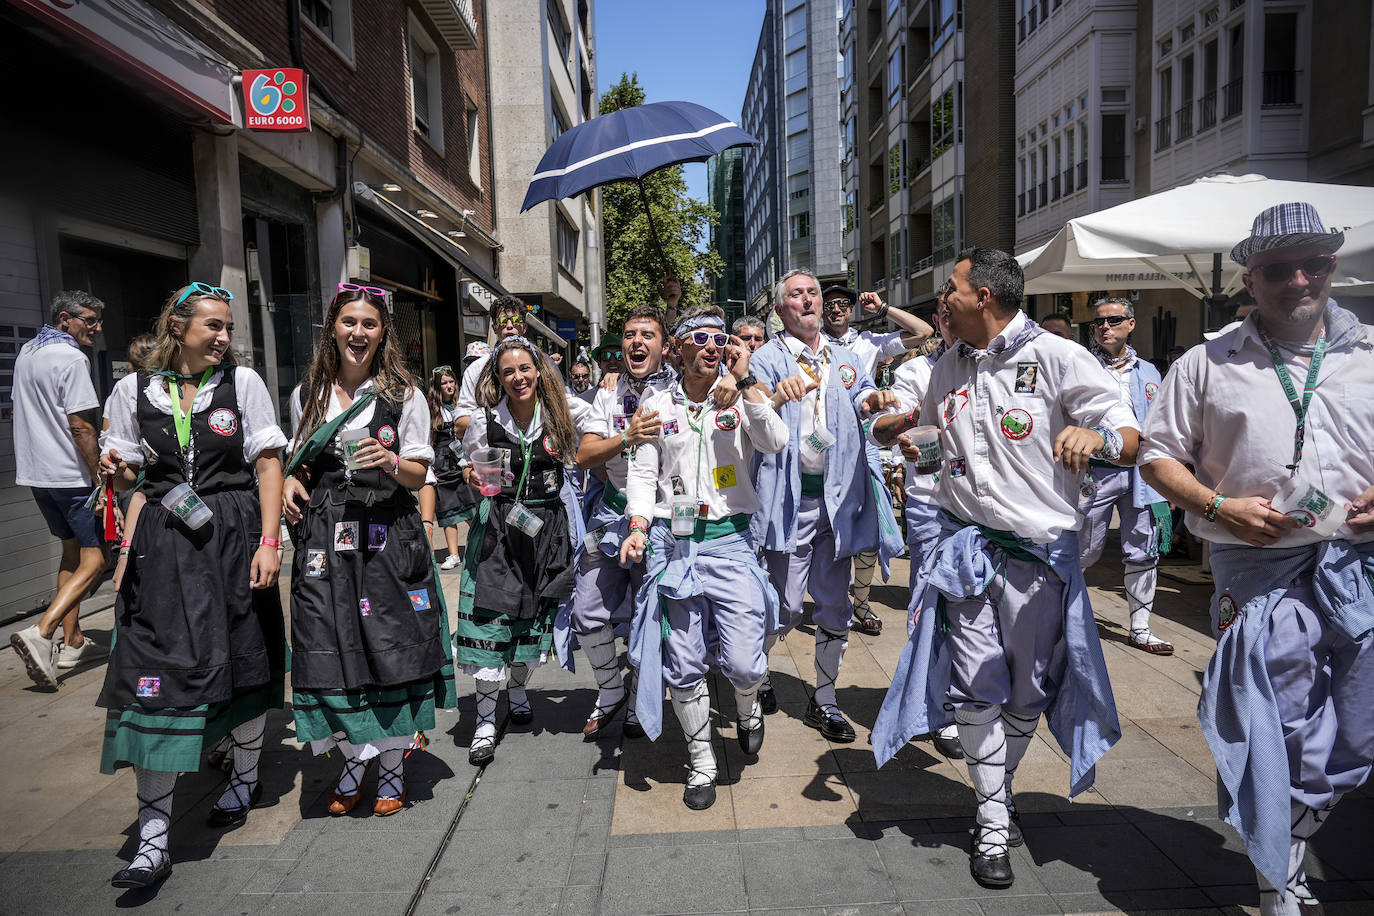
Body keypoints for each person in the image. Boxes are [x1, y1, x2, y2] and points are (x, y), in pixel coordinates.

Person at [871, 247, 1140, 890]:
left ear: (984, 296)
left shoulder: (1055, 356)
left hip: (1041, 559)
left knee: (1027, 692)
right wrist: (911, 437)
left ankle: (999, 792)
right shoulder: (947, 365)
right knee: (974, 686)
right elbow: (918, 432)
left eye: (952, 289)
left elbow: (1129, 435)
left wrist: (1097, 439)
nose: (943, 301)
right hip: (968, 553)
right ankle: (992, 820)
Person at [1139, 203, 1374, 916]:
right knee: (1286, 724)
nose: (1298, 278)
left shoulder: (1369, 354)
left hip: (1361, 566)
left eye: (1314, 262)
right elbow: (1156, 456)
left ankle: (1282, 837)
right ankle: (1281, 880)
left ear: (1333, 266)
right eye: (1278, 268)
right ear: (1252, 278)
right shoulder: (1206, 361)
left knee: (1359, 731)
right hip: (1260, 569)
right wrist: (1218, 507)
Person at [97, 283, 288, 888]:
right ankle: (153, 836)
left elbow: (267, 464)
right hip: (164, 545)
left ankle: (245, 777)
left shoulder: (245, 385)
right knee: (156, 674)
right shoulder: (132, 390)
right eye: (214, 326)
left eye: (229, 327)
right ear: (177, 328)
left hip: (232, 539)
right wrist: (118, 472)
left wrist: (268, 540)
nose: (225, 338)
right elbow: (128, 478)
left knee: (245, 654)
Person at [283, 284, 455, 820]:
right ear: (333, 327)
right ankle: (356, 760)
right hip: (327, 541)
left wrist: (389, 460)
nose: (359, 333)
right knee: (331, 646)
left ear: (384, 334)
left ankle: (393, 767)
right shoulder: (305, 394)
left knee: (392, 648)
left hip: (385, 535)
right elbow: (301, 463)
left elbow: (419, 472)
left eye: (370, 325)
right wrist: (291, 481)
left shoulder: (405, 394)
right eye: (350, 322)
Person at [620, 305, 800, 809]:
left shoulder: (741, 397)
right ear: (677, 348)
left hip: (730, 542)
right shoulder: (656, 403)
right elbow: (642, 473)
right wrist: (637, 527)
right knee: (683, 662)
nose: (710, 346)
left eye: (718, 340)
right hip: (674, 544)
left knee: (745, 663)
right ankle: (701, 759)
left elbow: (776, 441)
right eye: (698, 338)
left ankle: (747, 708)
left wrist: (745, 389)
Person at [749, 269, 905, 741]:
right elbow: (752, 413)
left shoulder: (844, 357)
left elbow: (860, 402)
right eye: (796, 295)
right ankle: (757, 677)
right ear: (781, 310)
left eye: (812, 293)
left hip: (840, 504)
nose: (809, 300)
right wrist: (775, 397)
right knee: (787, 608)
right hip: (787, 503)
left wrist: (873, 400)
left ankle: (826, 700)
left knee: (835, 606)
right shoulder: (766, 359)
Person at [457, 336, 585, 766]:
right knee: (492, 620)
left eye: (525, 368)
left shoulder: (562, 414)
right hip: (496, 530)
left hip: (544, 531)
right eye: (508, 371)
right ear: (498, 378)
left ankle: (517, 688)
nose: (518, 377)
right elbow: (470, 469)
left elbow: (600, 424)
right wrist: (472, 479)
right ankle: (486, 721)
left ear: (538, 371)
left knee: (530, 621)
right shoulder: (483, 421)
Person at [570, 305, 677, 740]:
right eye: (630, 334)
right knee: (586, 608)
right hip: (612, 514)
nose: (636, 342)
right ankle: (612, 690)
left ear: (664, 346)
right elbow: (584, 454)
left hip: (663, 518)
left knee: (647, 615)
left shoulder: (680, 386)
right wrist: (625, 438)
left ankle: (639, 699)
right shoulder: (607, 392)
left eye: (647, 334)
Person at [867, 282, 963, 762]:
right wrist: (911, 419)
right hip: (931, 504)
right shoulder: (918, 371)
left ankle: (970, 696)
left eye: (954, 312)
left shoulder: (998, 367)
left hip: (986, 513)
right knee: (930, 607)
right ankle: (936, 708)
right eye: (942, 315)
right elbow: (882, 431)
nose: (948, 322)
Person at [10, 291, 110, 688]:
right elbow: (81, 425)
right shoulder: (70, 358)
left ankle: (73, 641)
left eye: (99, 320)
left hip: (37, 475)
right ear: (65, 319)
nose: (97, 328)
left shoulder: (28, 353)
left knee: (71, 553)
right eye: (90, 320)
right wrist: (99, 475)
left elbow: (19, 410)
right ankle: (43, 632)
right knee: (97, 560)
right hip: (70, 477)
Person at [821, 284, 934, 637]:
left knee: (873, 530)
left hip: (865, 446)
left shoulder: (869, 342)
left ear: (852, 308)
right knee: (826, 530)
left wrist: (882, 307)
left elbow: (923, 332)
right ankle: (828, 599)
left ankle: (861, 599)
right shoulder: (812, 346)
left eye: (843, 303)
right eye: (830, 304)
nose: (837, 309)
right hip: (821, 449)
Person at [1077, 297, 1173, 654]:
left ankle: (1141, 627)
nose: (1105, 327)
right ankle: (1062, 615)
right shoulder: (1081, 365)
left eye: (1114, 320)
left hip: (1142, 472)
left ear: (1131, 324)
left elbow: (1163, 422)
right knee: (1083, 548)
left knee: (1144, 548)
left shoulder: (1149, 371)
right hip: (1095, 470)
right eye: (1098, 322)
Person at [455, 297, 531, 439]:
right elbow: (460, 425)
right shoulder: (477, 369)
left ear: (525, 327)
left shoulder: (543, 364)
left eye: (516, 321)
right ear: (494, 327)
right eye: (502, 321)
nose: (509, 326)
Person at [427, 365, 469, 569]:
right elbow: (429, 440)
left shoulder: (463, 403)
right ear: (437, 387)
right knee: (448, 510)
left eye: (451, 381)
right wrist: (430, 465)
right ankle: (453, 555)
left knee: (472, 508)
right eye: (444, 383)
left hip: (463, 462)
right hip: (443, 463)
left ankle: (485, 543)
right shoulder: (432, 410)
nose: (449, 385)